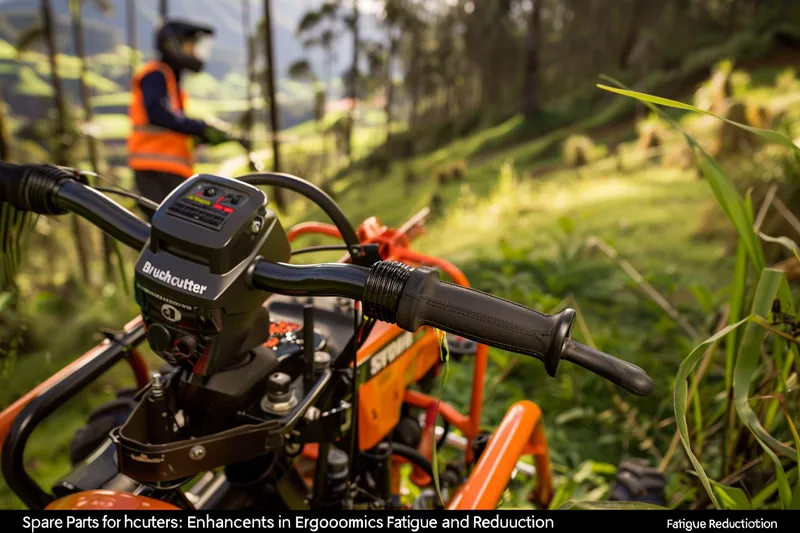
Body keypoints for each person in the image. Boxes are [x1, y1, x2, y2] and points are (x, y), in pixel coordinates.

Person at [127, 19, 231, 218]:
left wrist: (200, 136)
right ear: (173, 45)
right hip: (155, 171)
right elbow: (158, 114)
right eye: (190, 45)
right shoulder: (156, 75)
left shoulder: (170, 81)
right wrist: (201, 128)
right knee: (178, 232)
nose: (195, 52)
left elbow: (172, 124)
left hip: (167, 171)